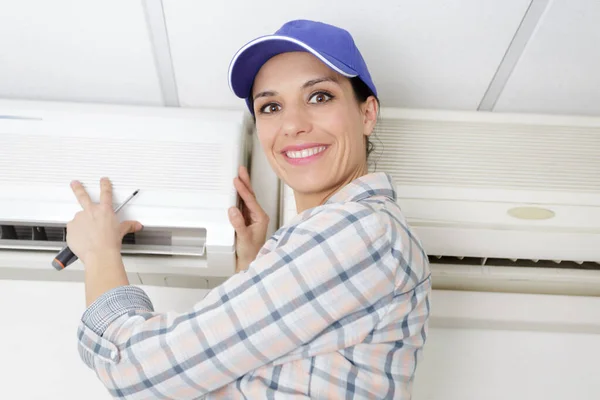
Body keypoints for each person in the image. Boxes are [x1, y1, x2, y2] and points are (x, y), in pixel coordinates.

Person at [71, 19, 431, 399]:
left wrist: (99, 253)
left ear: (367, 114)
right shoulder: (346, 237)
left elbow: (135, 370)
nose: (292, 124)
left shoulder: (360, 230)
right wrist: (255, 268)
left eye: (319, 96)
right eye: (271, 106)